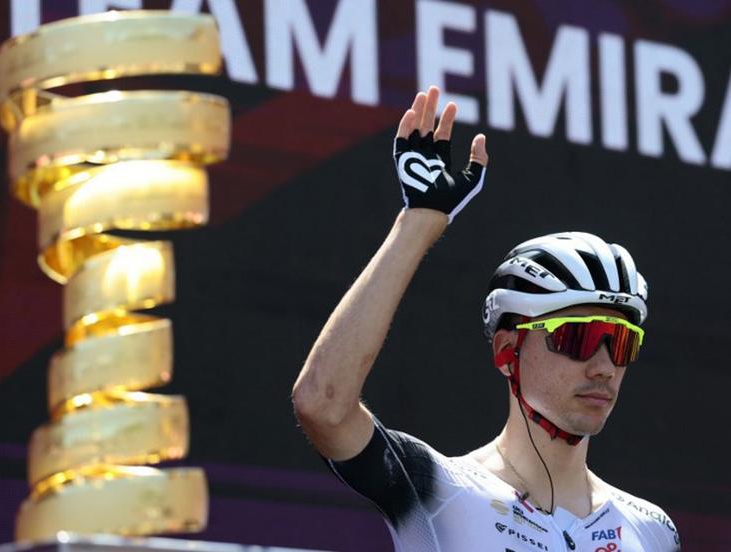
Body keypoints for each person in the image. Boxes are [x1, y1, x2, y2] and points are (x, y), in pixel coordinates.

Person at [292, 86, 681, 551]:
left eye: (620, 343)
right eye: (578, 338)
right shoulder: (439, 490)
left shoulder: (652, 529)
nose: (603, 367)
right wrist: (419, 221)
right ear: (506, 351)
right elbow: (322, 403)